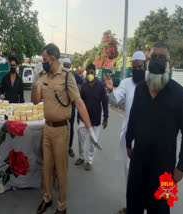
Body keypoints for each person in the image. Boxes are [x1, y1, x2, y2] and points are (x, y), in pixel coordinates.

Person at [32, 43, 100, 214]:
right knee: (47, 167)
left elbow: (78, 102)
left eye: (45, 59)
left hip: (62, 130)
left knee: (61, 170)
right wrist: (35, 81)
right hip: (47, 129)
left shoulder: (67, 77)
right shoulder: (45, 77)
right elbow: (34, 100)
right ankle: (47, 198)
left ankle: (62, 206)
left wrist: (90, 130)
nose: (43, 62)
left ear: (53, 59)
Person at [125, 43, 183, 214]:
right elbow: (133, 118)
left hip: (166, 170)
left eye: (162, 58)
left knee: (162, 210)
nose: (158, 60)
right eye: (154, 57)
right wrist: (128, 143)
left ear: (170, 63)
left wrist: (181, 166)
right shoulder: (140, 88)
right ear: (148, 59)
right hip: (138, 164)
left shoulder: (179, 93)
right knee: (133, 206)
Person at [103, 51, 146, 214]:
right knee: (130, 176)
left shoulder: (152, 82)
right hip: (130, 138)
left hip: (148, 138)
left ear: (145, 65)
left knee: (148, 177)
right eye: (134, 68)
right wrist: (109, 90)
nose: (137, 70)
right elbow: (115, 100)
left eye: (140, 67)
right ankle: (132, 207)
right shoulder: (127, 83)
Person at [75, 63, 108, 170]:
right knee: (80, 135)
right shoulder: (83, 86)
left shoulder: (101, 86)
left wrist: (106, 118)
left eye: (91, 72)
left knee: (93, 141)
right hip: (84, 119)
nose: (90, 74)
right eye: (88, 72)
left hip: (95, 119)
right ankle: (81, 156)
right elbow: (79, 103)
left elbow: (105, 102)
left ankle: (89, 161)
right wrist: (78, 116)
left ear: (95, 73)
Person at [63, 58, 83, 157]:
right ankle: (61, 146)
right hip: (61, 107)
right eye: (64, 65)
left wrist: (78, 91)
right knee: (61, 127)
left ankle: (70, 147)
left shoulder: (74, 75)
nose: (66, 67)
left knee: (70, 127)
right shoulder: (60, 75)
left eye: (67, 65)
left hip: (71, 106)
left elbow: (82, 81)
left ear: (70, 66)